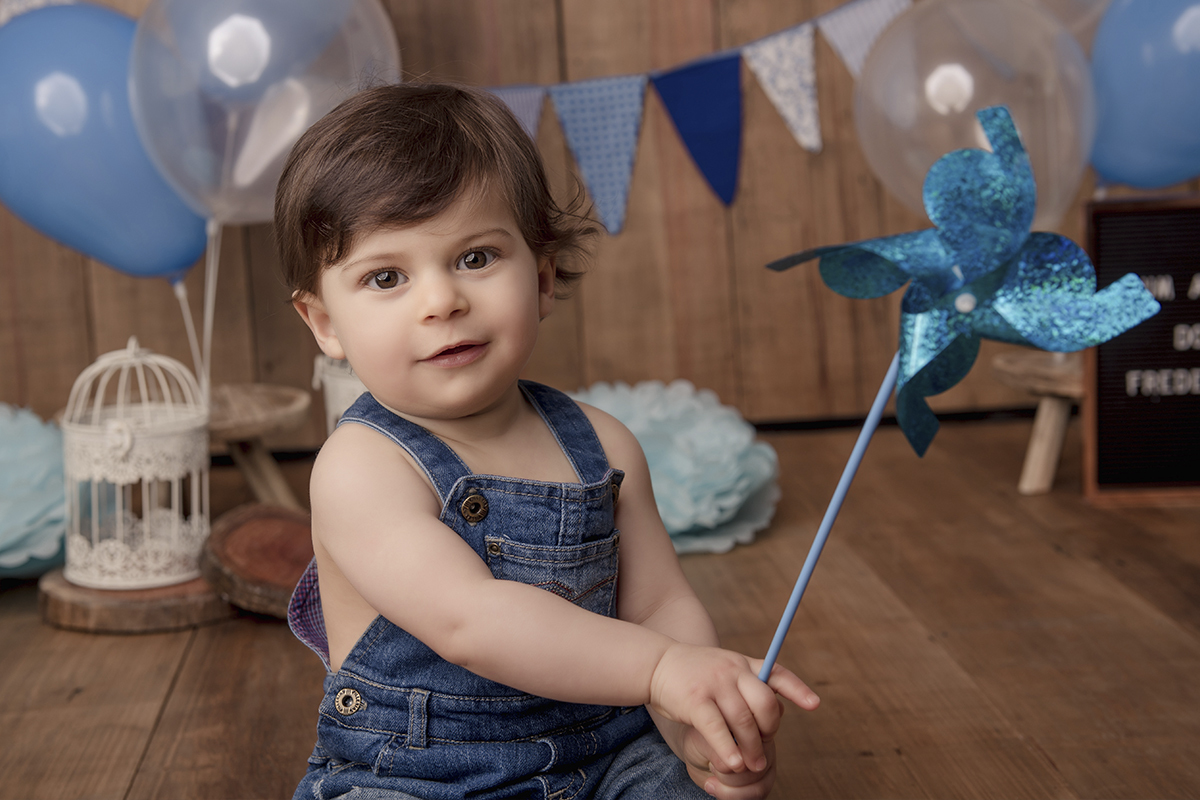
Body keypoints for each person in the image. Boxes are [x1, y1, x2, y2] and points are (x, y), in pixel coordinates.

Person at [276, 82, 819, 800]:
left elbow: (659, 608)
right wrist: (657, 669)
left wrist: (697, 720)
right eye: (386, 277)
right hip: (421, 773)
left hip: (607, 748)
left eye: (475, 258)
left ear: (542, 276)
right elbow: (473, 619)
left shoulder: (605, 447)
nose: (442, 301)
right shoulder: (361, 468)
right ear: (325, 324)